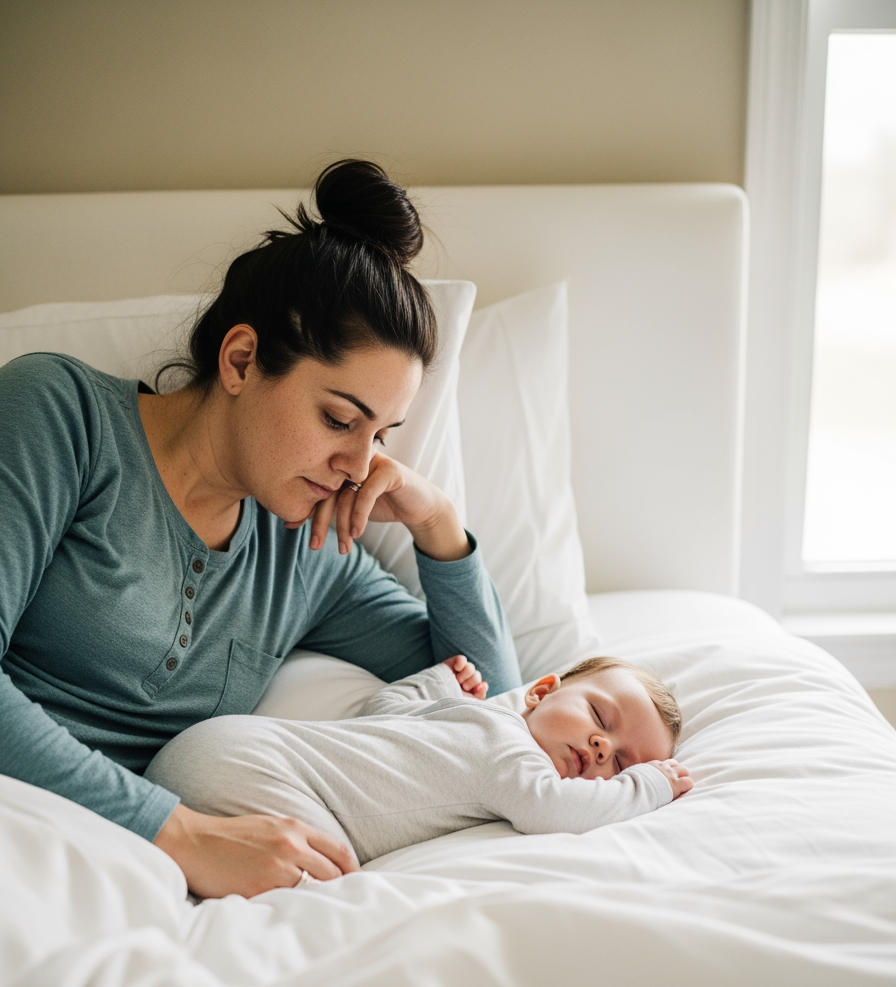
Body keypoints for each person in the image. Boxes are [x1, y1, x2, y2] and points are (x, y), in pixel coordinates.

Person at [0, 159, 520, 899]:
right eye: (338, 419)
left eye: (380, 436)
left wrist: (437, 523)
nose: (357, 465)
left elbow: (492, 709)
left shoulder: (305, 549)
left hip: (104, 876)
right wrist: (180, 832)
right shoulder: (61, 416)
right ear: (241, 360)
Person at [145, 654, 693, 889]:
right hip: (260, 772)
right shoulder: (509, 752)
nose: (601, 747)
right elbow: (549, 807)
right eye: (599, 717)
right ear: (541, 691)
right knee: (330, 880)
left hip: (217, 747)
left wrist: (437, 681)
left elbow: (383, 712)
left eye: (621, 763)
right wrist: (648, 784)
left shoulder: (469, 720)